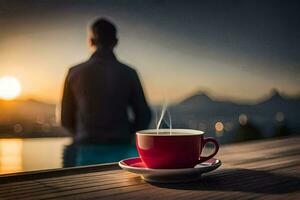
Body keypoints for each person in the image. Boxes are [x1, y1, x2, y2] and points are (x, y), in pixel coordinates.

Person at [61, 18, 151, 145]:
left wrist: (83, 134)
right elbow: (144, 115)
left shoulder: (74, 73)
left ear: (91, 41)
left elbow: (65, 119)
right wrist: (125, 135)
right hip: (120, 145)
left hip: (85, 146)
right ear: (116, 42)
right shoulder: (129, 73)